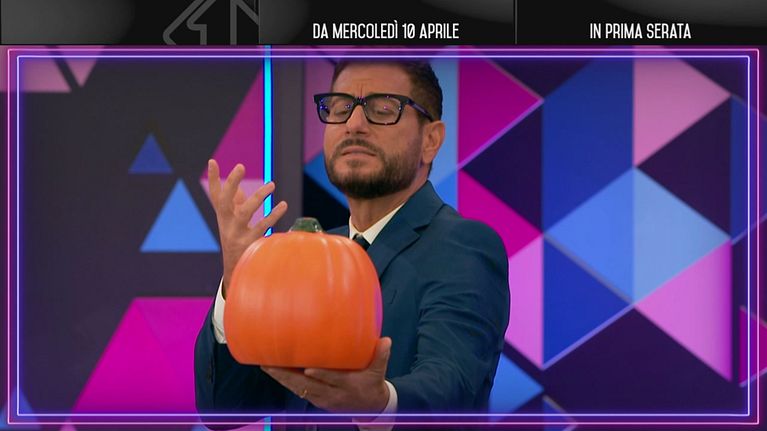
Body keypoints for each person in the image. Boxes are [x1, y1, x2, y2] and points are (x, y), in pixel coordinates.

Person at [194, 59, 510, 429]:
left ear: (431, 140)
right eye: (340, 108)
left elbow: (452, 387)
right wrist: (237, 284)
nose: (354, 124)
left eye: (383, 109)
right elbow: (226, 409)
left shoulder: (463, 245)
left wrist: (378, 404)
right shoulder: (307, 253)